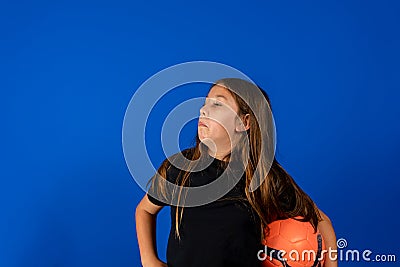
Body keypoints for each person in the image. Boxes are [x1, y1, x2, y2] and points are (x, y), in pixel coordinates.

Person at [135, 78, 338, 267]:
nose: (203, 110)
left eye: (217, 104)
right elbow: (144, 210)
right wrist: (149, 260)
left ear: (244, 123)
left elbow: (322, 221)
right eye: (205, 103)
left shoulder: (264, 178)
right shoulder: (181, 168)